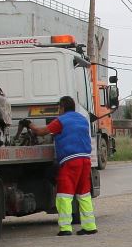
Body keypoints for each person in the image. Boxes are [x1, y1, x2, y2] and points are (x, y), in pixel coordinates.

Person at [21, 96, 97, 236]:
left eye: (59, 108)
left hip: (70, 161)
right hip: (86, 160)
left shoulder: (61, 121)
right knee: (84, 193)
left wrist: (29, 124)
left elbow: (40, 132)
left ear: (62, 107)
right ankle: (90, 226)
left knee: (64, 195)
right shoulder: (82, 119)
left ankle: (65, 228)